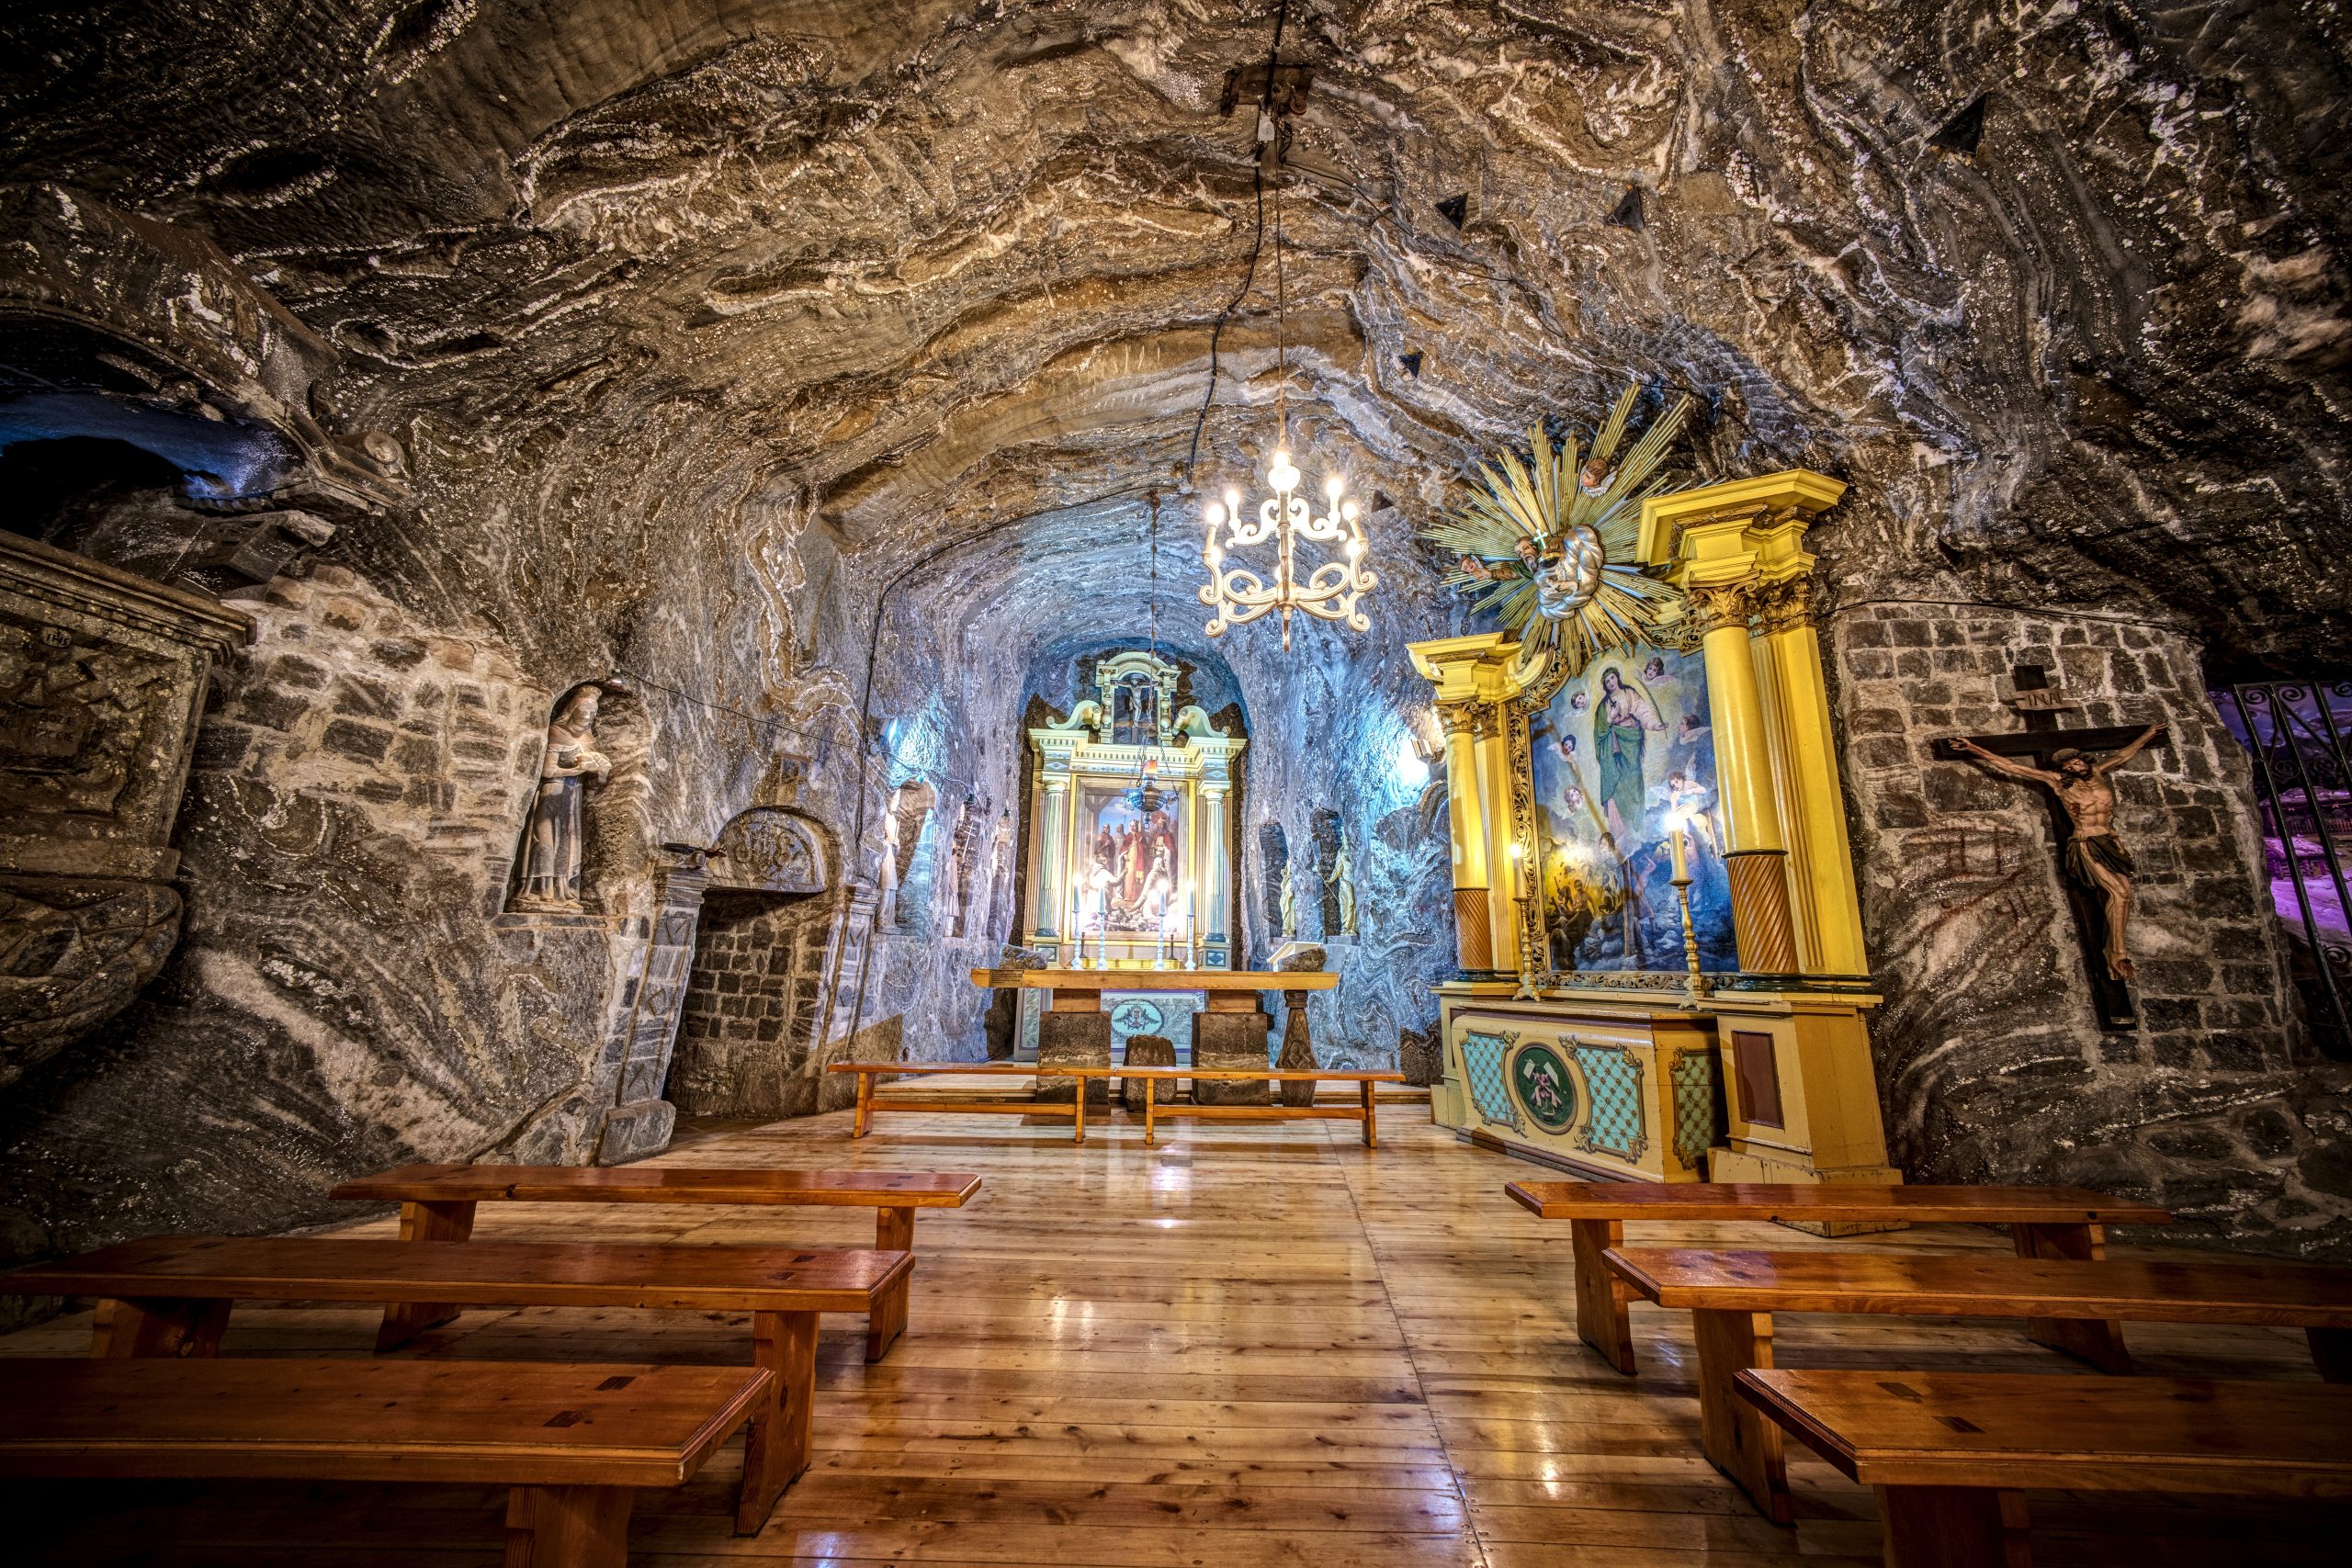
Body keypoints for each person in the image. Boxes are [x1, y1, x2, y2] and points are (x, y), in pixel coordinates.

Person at [1954, 724, 2163, 980]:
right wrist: (1973, 748)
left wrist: (2148, 735)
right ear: (2064, 769)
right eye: (2071, 766)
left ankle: (2113, 951)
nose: (2077, 767)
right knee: (2118, 893)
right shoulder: (2057, 782)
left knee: (2125, 896)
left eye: (2078, 762)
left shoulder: (2098, 772)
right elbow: (2012, 767)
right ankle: (2119, 954)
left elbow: (2123, 755)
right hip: (2086, 842)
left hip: (2109, 841)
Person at [514, 686, 611, 909]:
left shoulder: (589, 738)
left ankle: (563, 890)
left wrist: (601, 772)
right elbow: (548, 771)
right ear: (573, 709)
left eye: (593, 713)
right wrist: (578, 768)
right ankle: (536, 888)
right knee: (545, 840)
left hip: (573, 795)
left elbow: (595, 785)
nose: (588, 717)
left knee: (569, 845)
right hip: (553, 791)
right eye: (584, 711)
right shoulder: (558, 731)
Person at [1592, 666, 1664, 840]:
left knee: (1634, 780)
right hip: (1614, 750)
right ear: (1605, 685)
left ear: (1617, 677)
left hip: (1631, 742)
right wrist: (1611, 717)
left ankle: (1639, 827)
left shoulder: (1629, 693)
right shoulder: (1604, 706)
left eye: (1612, 678)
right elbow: (1599, 731)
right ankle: (1622, 833)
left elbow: (1642, 710)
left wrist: (1654, 724)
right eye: (1607, 681)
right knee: (1618, 786)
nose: (1610, 683)